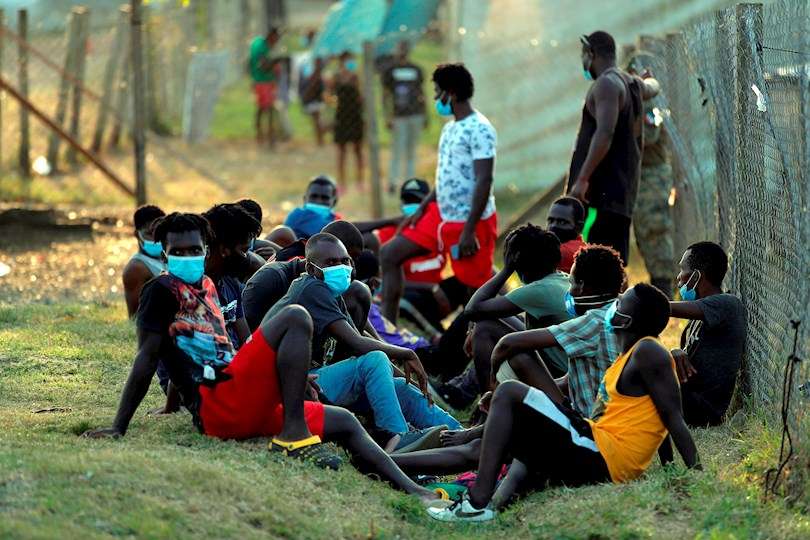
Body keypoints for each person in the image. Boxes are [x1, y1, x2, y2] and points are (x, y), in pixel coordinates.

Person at [83, 213, 445, 505]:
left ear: (206, 250)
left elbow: (203, 350)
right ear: (164, 254)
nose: (189, 258)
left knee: (346, 422)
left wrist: (288, 376)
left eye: (195, 250)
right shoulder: (159, 291)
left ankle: (418, 492)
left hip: (243, 395)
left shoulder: (207, 286)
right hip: (217, 403)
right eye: (179, 252)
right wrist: (119, 425)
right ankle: (294, 434)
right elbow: (149, 358)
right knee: (295, 316)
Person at [426, 283, 701, 522]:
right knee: (529, 438)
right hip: (600, 449)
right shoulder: (627, 357)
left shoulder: (649, 349)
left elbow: (672, 416)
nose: (613, 305)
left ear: (625, 320)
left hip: (605, 454)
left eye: (620, 303)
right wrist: (668, 469)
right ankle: (493, 506)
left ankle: (476, 503)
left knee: (510, 391)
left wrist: (696, 476)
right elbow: (654, 417)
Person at [264, 233, 458, 454]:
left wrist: (405, 379)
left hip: (320, 379)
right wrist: (407, 354)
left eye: (344, 261)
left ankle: (461, 434)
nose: (341, 267)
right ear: (311, 268)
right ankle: (396, 439)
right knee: (375, 359)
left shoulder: (331, 293)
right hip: (293, 386)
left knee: (401, 388)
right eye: (331, 262)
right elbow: (357, 343)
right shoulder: (310, 288)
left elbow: (361, 339)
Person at [381, 63, 498, 323]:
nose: (435, 98)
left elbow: (484, 179)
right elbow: (446, 176)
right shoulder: (450, 128)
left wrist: (469, 229)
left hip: (470, 221)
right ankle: (388, 329)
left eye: (437, 92)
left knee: (474, 290)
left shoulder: (479, 129)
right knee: (390, 254)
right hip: (440, 214)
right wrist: (422, 208)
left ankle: (479, 344)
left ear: (452, 93)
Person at [491, 245, 626, 418]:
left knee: (520, 356)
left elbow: (507, 344)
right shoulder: (619, 311)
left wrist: (492, 381)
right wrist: (527, 394)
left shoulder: (593, 322)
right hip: (612, 417)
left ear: (583, 286)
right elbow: (568, 382)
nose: (569, 291)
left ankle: (565, 415)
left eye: (572, 283)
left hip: (592, 424)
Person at [565, 31, 660, 264]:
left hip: (598, 195)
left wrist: (583, 179)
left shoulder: (606, 84)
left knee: (591, 262)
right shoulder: (631, 82)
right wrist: (647, 79)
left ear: (591, 53)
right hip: (620, 193)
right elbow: (653, 87)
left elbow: (605, 133)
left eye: (583, 55)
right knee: (610, 263)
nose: (583, 62)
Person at [461, 225, 571, 395]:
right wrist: (473, 322)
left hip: (561, 377)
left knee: (484, 329)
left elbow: (472, 309)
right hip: (563, 367)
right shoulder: (559, 279)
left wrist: (506, 269)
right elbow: (480, 312)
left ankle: (487, 406)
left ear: (516, 259)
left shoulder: (540, 289)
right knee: (486, 321)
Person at [669, 242, 746, 427]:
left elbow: (664, 307)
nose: (679, 277)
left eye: (682, 269)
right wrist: (675, 352)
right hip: (688, 399)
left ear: (696, 276)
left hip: (702, 410)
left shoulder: (727, 304)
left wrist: (633, 300)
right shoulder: (700, 316)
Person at [243, 220, 365, 331]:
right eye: (333, 261)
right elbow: (250, 335)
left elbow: (353, 334)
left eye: (346, 261)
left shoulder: (322, 278)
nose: (349, 268)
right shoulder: (274, 277)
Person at [625, 53, 676, 297]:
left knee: (654, 230)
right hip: (638, 174)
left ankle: (663, 288)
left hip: (651, 175)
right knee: (644, 233)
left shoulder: (647, 102)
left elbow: (649, 136)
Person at [201, 203, 261, 349]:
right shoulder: (194, 290)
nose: (247, 258)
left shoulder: (229, 283)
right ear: (223, 249)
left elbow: (247, 344)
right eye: (244, 250)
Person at [382, 41, 426, 193]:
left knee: (411, 150)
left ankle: (409, 181)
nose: (402, 51)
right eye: (400, 48)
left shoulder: (416, 69)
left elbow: (421, 93)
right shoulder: (390, 71)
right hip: (398, 115)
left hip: (415, 114)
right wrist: (387, 115)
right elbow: (385, 95)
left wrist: (425, 114)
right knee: (397, 149)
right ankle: (393, 181)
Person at [122, 205, 166, 318]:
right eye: (150, 234)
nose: (156, 239)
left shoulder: (167, 258)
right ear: (137, 235)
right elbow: (135, 317)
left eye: (160, 233)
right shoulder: (136, 268)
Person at [332, 52, 364, 190]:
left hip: (355, 116)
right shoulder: (335, 78)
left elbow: (361, 98)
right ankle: (341, 182)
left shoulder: (356, 78)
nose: (349, 63)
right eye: (347, 60)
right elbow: (329, 96)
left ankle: (360, 181)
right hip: (341, 117)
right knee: (342, 151)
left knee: (358, 150)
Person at [249, 27, 282, 145]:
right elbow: (263, 66)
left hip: (265, 81)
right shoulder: (260, 46)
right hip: (262, 81)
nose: (276, 41)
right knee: (266, 109)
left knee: (264, 109)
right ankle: (266, 136)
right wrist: (276, 62)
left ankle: (264, 136)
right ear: (271, 36)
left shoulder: (261, 44)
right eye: (276, 38)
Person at [284, 175, 341, 240]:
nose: (318, 201)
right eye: (314, 196)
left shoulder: (336, 219)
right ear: (305, 199)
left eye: (325, 198)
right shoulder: (297, 215)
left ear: (334, 202)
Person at [547, 196, 587, 273]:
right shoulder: (580, 247)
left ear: (579, 227)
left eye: (562, 222)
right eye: (550, 221)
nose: (553, 226)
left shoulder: (567, 252)